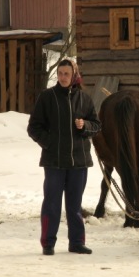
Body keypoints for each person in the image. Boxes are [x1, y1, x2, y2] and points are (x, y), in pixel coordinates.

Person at [27, 59, 101, 255]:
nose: (62, 77)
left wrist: (85, 126)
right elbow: (33, 127)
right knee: (52, 203)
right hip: (54, 162)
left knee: (74, 205)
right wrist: (50, 143)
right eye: (60, 73)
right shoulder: (47, 97)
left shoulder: (84, 99)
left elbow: (96, 124)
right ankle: (48, 243)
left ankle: (76, 242)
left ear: (74, 75)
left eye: (66, 74)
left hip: (79, 162)